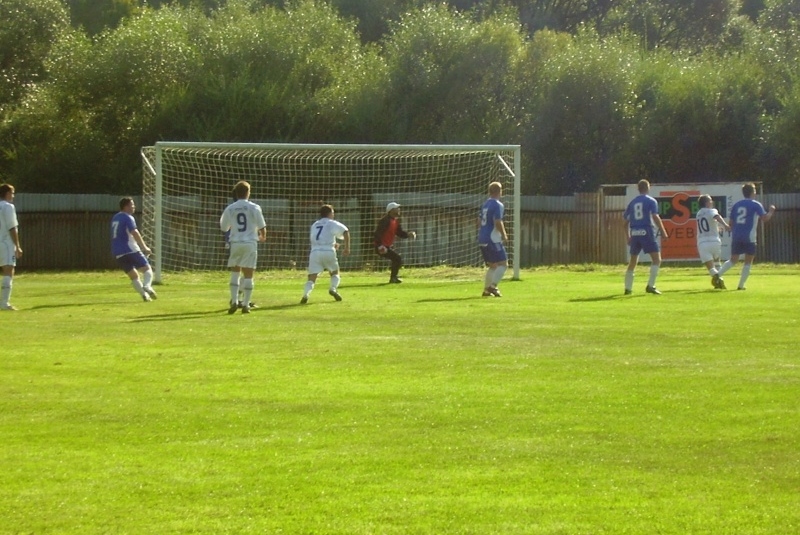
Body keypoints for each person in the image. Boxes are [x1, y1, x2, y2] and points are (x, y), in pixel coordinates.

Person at [715, 182, 776, 290]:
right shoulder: (756, 204)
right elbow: (765, 219)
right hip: (749, 237)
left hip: (737, 236)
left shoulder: (737, 205)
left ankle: (718, 274)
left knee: (733, 260)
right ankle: (741, 285)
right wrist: (771, 211)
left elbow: (731, 223)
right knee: (748, 261)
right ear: (753, 192)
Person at [219, 180, 266, 314]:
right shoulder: (254, 207)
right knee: (249, 274)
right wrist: (262, 236)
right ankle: (245, 304)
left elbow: (224, 227)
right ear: (248, 193)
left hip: (236, 242)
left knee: (235, 272)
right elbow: (262, 226)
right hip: (250, 242)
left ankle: (234, 301)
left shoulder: (230, 208)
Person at [623, 179, 669, 295]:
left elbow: (624, 222)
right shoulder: (651, 201)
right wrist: (663, 231)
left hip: (634, 232)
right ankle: (651, 286)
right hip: (646, 231)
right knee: (656, 259)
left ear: (638, 189)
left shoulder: (632, 202)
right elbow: (655, 216)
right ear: (648, 188)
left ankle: (628, 288)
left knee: (633, 261)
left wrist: (628, 237)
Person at [300, 204, 350, 304]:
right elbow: (346, 231)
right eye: (333, 213)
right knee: (335, 272)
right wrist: (347, 248)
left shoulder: (315, 225)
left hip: (315, 252)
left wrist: (332, 244)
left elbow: (318, 238)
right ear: (330, 213)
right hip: (328, 251)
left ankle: (306, 294)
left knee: (312, 277)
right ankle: (333, 289)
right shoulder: (331, 223)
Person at [111, 197, 157, 302]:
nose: (134, 207)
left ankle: (144, 296)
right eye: (132, 205)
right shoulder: (128, 217)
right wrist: (144, 247)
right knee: (147, 269)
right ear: (126, 206)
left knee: (133, 276)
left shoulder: (115, 217)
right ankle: (147, 286)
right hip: (130, 249)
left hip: (118, 252)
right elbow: (135, 232)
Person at [478, 181, 508, 297]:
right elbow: (498, 221)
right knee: (503, 264)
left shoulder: (485, 204)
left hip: (482, 237)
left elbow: (479, 222)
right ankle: (493, 287)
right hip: (492, 238)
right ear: (500, 191)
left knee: (493, 266)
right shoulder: (497, 205)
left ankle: (486, 290)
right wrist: (504, 235)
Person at [373, 202, 416, 283]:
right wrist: (379, 246)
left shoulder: (395, 221)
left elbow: (400, 233)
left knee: (396, 259)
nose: (399, 209)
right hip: (381, 246)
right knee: (397, 258)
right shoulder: (385, 220)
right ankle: (393, 278)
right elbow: (377, 233)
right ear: (391, 210)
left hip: (386, 246)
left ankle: (393, 277)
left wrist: (408, 234)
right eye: (397, 208)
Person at [695, 194, 731, 289]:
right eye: (710, 201)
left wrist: (716, 227)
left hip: (703, 242)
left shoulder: (698, 214)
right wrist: (725, 225)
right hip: (715, 241)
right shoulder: (712, 210)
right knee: (717, 262)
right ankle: (719, 280)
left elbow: (708, 223)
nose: (712, 202)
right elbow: (716, 216)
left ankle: (718, 280)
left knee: (711, 268)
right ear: (707, 203)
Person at [0, 183, 23, 310]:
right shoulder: (8, 207)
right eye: (12, 193)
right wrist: (17, 246)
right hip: (5, 243)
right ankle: (4, 303)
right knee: (8, 270)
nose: (13, 196)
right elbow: (12, 227)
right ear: (8, 194)